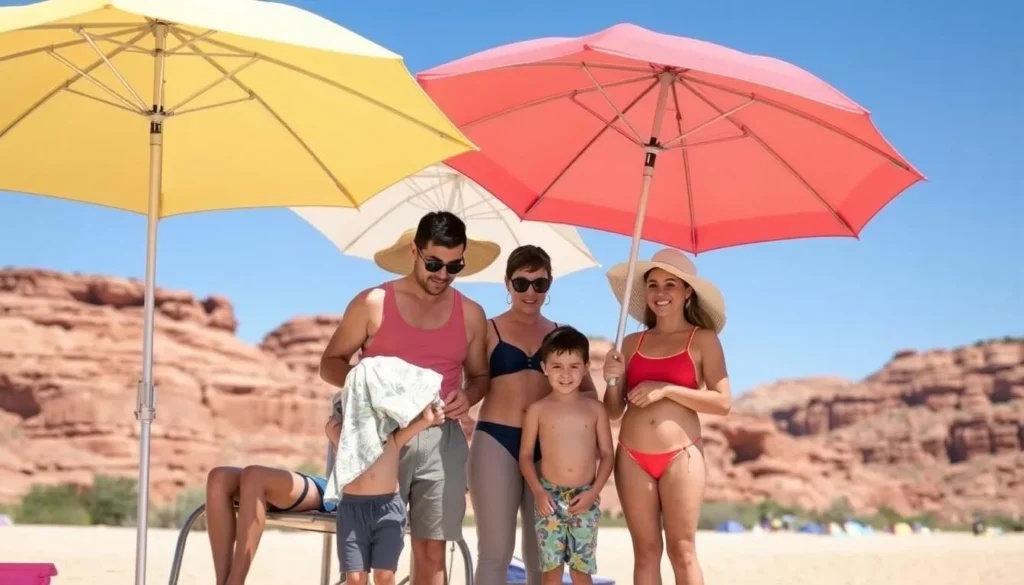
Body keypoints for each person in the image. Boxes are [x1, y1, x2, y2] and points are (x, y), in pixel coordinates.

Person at [319, 211, 492, 585]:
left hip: (440, 438)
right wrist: (368, 383)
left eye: (454, 265)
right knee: (368, 562)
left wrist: (469, 395)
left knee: (431, 550)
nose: (443, 275)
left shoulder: (472, 314)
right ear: (414, 250)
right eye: (434, 263)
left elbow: (480, 377)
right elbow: (329, 364)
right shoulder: (374, 302)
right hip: (377, 438)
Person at [469, 244, 600, 585]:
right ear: (507, 283)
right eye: (521, 283)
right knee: (494, 552)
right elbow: (475, 381)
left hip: (547, 450)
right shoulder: (487, 329)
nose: (530, 292)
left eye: (539, 284)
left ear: (549, 285)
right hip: (495, 439)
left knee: (542, 555)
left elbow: (589, 395)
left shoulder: (562, 335)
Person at [601, 248, 731, 585]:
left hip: (681, 456)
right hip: (631, 456)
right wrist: (612, 379)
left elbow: (722, 402)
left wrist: (667, 389)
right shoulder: (631, 342)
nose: (660, 294)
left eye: (670, 285)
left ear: (688, 292)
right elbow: (613, 412)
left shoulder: (703, 340)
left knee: (682, 549)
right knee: (645, 551)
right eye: (654, 285)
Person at [520, 326, 613, 585]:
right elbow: (526, 455)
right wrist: (538, 491)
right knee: (551, 570)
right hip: (549, 497)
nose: (565, 374)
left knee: (581, 570)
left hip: (585, 497)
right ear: (544, 367)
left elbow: (607, 454)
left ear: (585, 368)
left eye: (573, 366)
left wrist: (593, 493)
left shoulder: (595, 409)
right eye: (557, 366)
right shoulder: (537, 410)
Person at [325, 401, 445, 585]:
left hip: (387, 511)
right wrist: (337, 431)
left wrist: (432, 416)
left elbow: (426, 420)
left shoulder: (392, 437)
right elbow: (336, 440)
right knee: (355, 578)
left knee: (384, 576)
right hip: (352, 511)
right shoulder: (344, 434)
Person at [205, 465, 337, 585]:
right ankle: (221, 582)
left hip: (339, 491)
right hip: (321, 482)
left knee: (254, 475)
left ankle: (236, 582)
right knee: (218, 477)